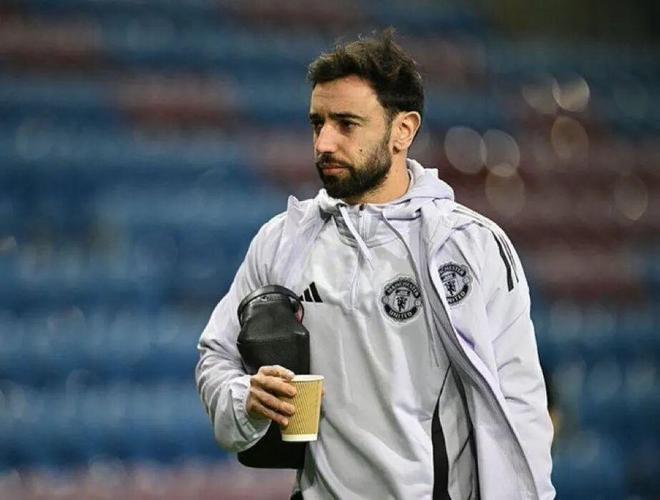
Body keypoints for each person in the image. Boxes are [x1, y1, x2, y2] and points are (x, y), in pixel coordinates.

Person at [195, 29, 554, 500]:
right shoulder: (282, 240)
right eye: (317, 123)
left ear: (403, 130)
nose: (324, 142)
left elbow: (520, 407)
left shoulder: (469, 247)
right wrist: (246, 399)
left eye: (346, 124)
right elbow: (216, 356)